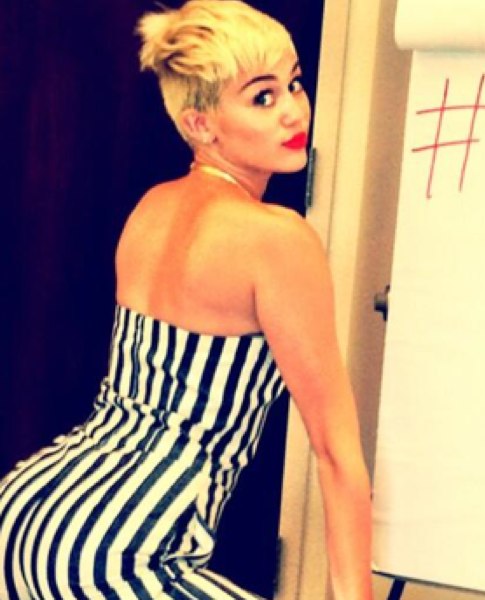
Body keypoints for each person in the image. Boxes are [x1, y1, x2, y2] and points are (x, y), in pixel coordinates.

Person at [0, 1, 373, 598]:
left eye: (294, 83)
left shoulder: (152, 209)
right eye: (262, 97)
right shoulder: (278, 239)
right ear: (200, 125)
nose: (293, 110)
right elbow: (334, 452)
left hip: (29, 511)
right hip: (115, 549)